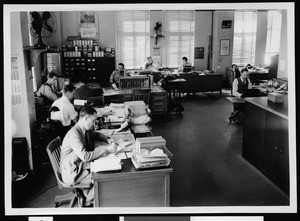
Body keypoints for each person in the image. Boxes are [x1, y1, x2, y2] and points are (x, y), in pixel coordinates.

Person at [60, 106, 115, 207]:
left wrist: (107, 139)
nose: (94, 124)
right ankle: (89, 199)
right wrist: (105, 150)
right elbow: (85, 156)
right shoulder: (74, 134)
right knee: (104, 176)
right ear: (85, 118)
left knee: (106, 168)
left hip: (80, 166)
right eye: (93, 121)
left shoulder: (83, 129)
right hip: (73, 172)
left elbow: (95, 135)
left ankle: (87, 193)